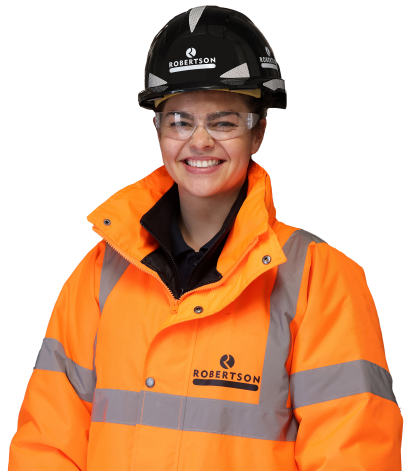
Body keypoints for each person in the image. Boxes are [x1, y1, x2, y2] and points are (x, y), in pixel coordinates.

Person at [8, 5, 403, 471]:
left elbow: (352, 455)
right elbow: (48, 446)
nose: (199, 142)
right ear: (157, 129)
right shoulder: (101, 272)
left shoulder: (319, 279)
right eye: (179, 120)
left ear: (258, 133)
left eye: (223, 121)